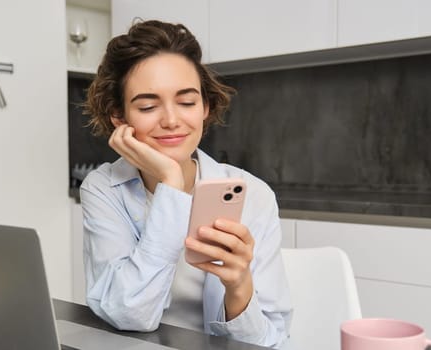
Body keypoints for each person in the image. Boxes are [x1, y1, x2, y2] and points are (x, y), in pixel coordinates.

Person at [79, 20, 292, 348]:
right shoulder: (103, 189)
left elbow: (273, 341)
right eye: (148, 106)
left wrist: (239, 289)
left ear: (206, 106)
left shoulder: (254, 196)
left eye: (187, 102)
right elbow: (129, 314)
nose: (171, 120)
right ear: (119, 116)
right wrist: (172, 185)